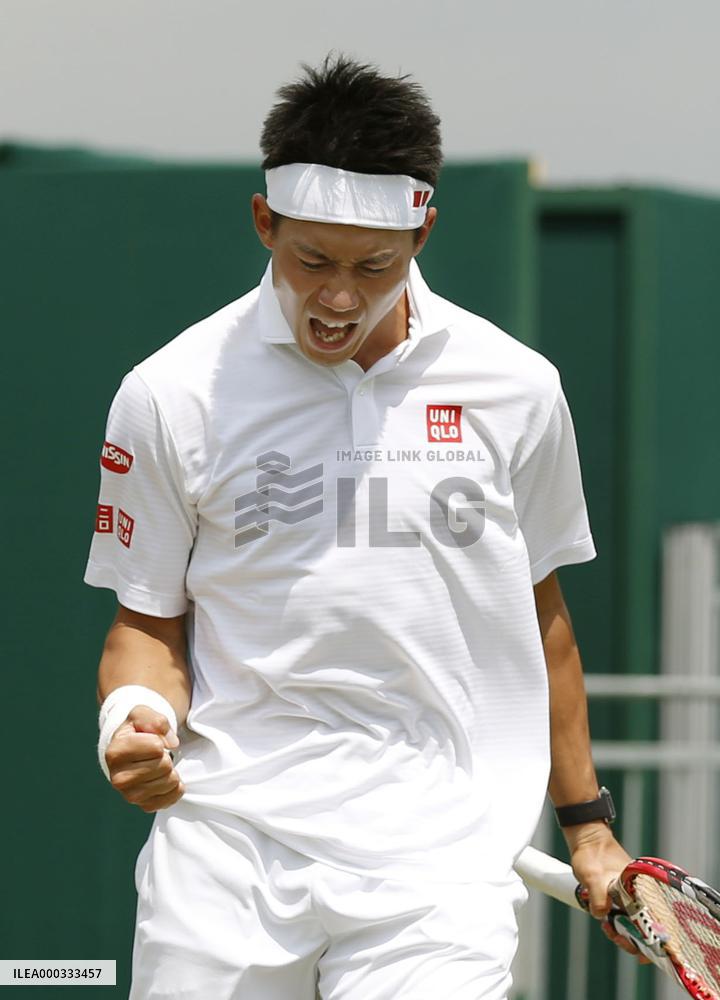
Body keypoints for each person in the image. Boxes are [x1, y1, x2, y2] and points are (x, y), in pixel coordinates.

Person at [86, 55, 646, 1000]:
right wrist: (129, 719)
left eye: (374, 266)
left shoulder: (519, 388)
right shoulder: (168, 393)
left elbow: (539, 617)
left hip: (441, 864)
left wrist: (588, 825)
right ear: (263, 222)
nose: (340, 297)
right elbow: (146, 623)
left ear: (423, 232)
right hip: (224, 853)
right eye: (312, 261)